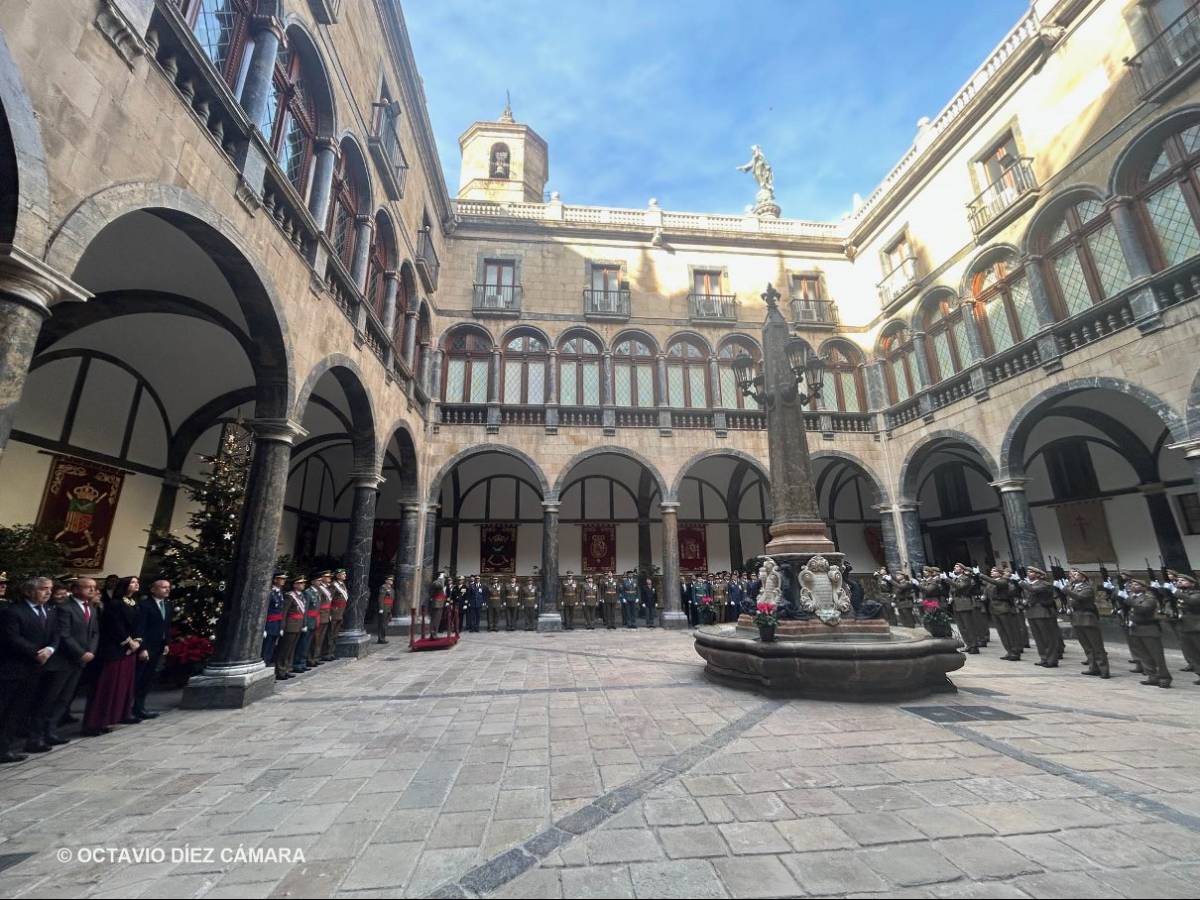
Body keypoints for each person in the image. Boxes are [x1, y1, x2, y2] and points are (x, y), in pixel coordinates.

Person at [34, 576, 98, 745]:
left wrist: (91, 651)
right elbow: (64, 634)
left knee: (65, 698)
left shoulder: (91, 608)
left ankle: (51, 730)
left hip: (80, 661)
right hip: (63, 660)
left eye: (93, 587)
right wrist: (80, 652)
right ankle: (36, 735)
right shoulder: (65, 608)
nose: (92, 590)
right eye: (87, 587)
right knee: (50, 698)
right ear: (76, 589)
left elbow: (94, 633)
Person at [1, 577, 57, 762]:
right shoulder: (14, 611)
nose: (48, 592)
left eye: (50, 589)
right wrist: (35, 652)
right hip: (14, 668)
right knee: (6, 708)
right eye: (43, 589)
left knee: (19, 709)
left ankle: (6, 747)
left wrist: (50, 649)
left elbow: (56, 635)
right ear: (29, 591)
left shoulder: (49, 611)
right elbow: (12, 637)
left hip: (36, 669)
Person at [83, 575, 142, 736]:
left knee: (123, 685)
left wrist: (137, 640)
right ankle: (97, 721)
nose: (136, 584)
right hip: (116, 648)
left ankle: (115, 717)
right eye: (133, 582)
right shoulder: (115, 604)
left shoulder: (135, 603)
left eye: (137, 582)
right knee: (108, 686)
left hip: (130, 649)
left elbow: (138, 624)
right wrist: (128, 642)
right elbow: (114, 625)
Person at [133, 578, 172, 719]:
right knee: (139, 677)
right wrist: (142, 648)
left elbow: (166, 626)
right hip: (146, 646)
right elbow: (140, 627)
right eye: (163, 587)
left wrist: (166, 642)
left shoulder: (167, 605)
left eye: (168, 587)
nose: (167, 589)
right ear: (153, 589)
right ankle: (133, 707)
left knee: (148, 678)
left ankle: (140, 706)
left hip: (158, 646)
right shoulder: (144, 605)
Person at [1060, 568, 1108, 678]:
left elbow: (1080, 597)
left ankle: (1104, 669)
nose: (1074, 576)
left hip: (1087, 618)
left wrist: (1067, 590)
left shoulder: (1087, 588)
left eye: (1077, 574)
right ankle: (1093, 667)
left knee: (1097, 646)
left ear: (1083, 577)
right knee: (1087, 646)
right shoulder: (1072, 587)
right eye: (1073, 574)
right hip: (1076, 618)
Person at [1123, 577, 1171, 688]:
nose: (1133, 586)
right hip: (1136, 629)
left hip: (1149, 629)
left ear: (1143, 588)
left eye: (1136, 584)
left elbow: (1144, 608)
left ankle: (1164, 677)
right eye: (1132, 584)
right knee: (1143, 655)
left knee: (1157, 656)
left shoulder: (1149, 598)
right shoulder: (1132, 597)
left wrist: (1129, 600)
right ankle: (1152, 676)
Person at [1019, 566, 1060, 668]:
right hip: (1031, 612)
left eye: (1031, 572)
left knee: (1048, 638)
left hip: (1042, 612)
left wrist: (1020, 582)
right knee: (1038, 638)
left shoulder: (1044, 584)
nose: (1029, 573)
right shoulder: (1029, 584)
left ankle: (1052, 660)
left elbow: (1033, 590)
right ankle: (1044, 658)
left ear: (1038, 574)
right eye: (1028, 572)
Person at [979, 566, 1021, 660]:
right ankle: (1009, 651)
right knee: (1002, 632)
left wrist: (980, 575)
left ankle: (1015, 651)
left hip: (1002, 607)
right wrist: (984, 596)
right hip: (993, 608)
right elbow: (987, 591)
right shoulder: (990, 583)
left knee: (1009, 631)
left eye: (994, 571)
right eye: (991, 571)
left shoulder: (1003, 581)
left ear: (1000, 573)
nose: (992, 572)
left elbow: (996, 583)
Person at [1171, 571, 1200, 683]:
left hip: (1196, 627)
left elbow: (1192, 601)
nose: (1179, 582)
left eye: (1183, 580)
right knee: (1191, 653)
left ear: (1192, 583)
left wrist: (1176, 592)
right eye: (1178, 580)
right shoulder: (1179, 594)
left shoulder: (1196, 593)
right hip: (1183, 627)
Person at [277, 575, 307, 678]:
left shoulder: (301, 595)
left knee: (292, 648)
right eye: (301, 583)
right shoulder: (289, 596)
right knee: (285, 649)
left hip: (298, 625)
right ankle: (280, 670)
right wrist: (282, 627)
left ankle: (287, 668)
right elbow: (284, 612)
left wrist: (303, 624)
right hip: (290, 625)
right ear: (295, 585)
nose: (303, 585)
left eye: (303, 583)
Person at [949, 563, 980, 653]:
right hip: (956, 604)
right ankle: (968, 644)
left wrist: (947, 579)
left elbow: (960, 587)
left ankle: (974, 646)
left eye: (957, 567)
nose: (955, 568)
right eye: (954, 567)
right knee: (961, 627)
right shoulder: (955, 579)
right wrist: (950, 596)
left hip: (964, 603)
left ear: (962, 570)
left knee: (968, 626)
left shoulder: (965, 578)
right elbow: (951, 590)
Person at [263, 572, 286, 663]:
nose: (283, 581)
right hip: (269, 623)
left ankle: (267, 661)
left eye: (284, 579)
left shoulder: (279, 593)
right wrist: (263, 628)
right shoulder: (270, 593)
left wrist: (281, 626)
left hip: (276, 623)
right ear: (275, 580)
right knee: (267, 645)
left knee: (272, 644)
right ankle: (264, 661)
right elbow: (265, 610)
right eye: (281, 579)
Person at [326, 568, 350, 658]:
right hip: (334, 612)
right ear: (338, 575)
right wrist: (330, 613)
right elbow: (329, 599)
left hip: (340, 611)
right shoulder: (334, 585)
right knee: (331, 633)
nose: (345, 575)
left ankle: (332, 652)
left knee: (336, 633)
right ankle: (328, 653)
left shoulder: (342, 585)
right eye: (343, 574)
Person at [376, 574, 394, 644]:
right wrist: (381, 608)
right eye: (390, 580)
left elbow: (392, 599)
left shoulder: (391, 589)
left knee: (385, 624)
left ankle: (383, 637)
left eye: (392, 580)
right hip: (384, 607)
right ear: (386, 580)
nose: (391, 581)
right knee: (382, 624)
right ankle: (381, 638)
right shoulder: (383, 587)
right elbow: (381, 598)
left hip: (389, 607)